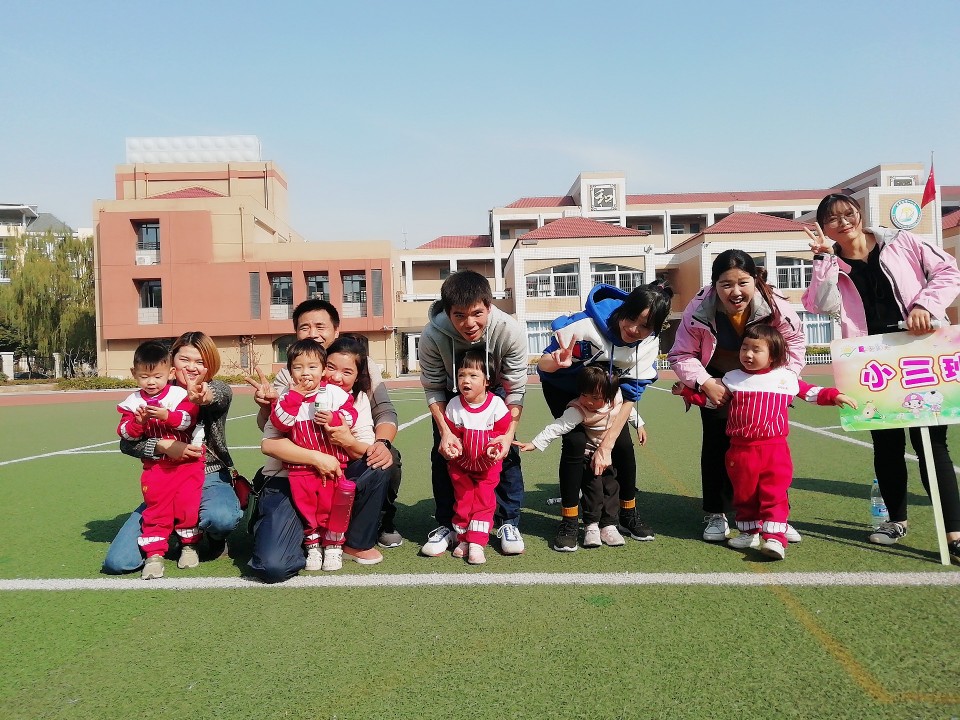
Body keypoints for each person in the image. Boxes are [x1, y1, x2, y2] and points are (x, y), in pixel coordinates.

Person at [802, 193, 960, 559]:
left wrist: (925, 305)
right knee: (887, 445)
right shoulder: (832, 262)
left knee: (931, 444)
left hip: (919, 352)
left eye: (848, 213)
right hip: (871, 363)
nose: (843, 222)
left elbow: (949, 271)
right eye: (832, 219)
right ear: (824, 227)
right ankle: (896, 520)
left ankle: (954, 532)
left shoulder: (900, 241)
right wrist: (823, 258)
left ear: (859, 214)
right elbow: (818, 304)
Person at [673, 326, 856, 560]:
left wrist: (834, 395)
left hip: (774, 450)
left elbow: (811, 393)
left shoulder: (785, 378)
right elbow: (713, 402)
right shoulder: (732, 378)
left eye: (756, 350)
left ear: (773, 355)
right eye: (744, 348)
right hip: (740, 451)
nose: (748, 354)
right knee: (744, 494)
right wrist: (687, 394)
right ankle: (749, 533)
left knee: (774, 493)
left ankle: (775, 539)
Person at [246, 299, 393, 582]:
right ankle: (293, 533)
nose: (313, 333)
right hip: (290, 475)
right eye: (305, 327)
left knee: (383, 459)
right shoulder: (289, 384)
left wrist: (352, 439)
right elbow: (270, 439)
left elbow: (378, 419)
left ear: (336, 331)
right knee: (273, 566)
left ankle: (353, 539)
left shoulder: (350, 392)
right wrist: (270, 406)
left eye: (320, 326)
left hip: (338, 472)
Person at [669, 250, 806, 544]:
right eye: (726, 284)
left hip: (763, 380)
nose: (736, 292)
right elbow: (681, 353)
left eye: (743, 283)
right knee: (717, 443)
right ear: (714, 285)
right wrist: (705, 382)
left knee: (770, 449)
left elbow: (794, 342)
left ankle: (775, 517)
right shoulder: (698, 309)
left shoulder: (775, 305)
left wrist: (784, 380)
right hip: (718, 379)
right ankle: (716, 513)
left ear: (755, 280)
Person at [537, 280, 672, 547]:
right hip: (563, 388)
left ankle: (627, 512)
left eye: (645, 326)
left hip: (608, 396)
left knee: (622, 445)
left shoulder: (647, 344)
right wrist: (557, 362)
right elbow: (543, 364)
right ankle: (569, 519)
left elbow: (631, 395)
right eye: (631, 318)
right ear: (624, 309)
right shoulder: (585, 327)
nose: (634, 329)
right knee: (575, 442)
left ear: (655, 329)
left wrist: (606, 446)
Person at [103, 332, 243, 576]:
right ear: (171, 363)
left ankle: (213, 537)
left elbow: (216, 396)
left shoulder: (216, 388)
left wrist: (201, 397)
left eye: (200, 361)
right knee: (119, 562)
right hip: (164, 474)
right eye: (184, 359)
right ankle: (170, 532)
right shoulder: (151, 394)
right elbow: (126, 444)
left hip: (209, 475)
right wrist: (163, 446)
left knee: (221, 517)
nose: (191, 367)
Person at [419, 270, 528, 557]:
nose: (469, 324)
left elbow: (516, 388)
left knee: (506, 453)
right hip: (450, 393)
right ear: (448, 312)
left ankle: (508, 522)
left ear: (489, 306)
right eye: (459, 315)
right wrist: (445, 433)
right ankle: (448, 524)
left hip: (497, 388)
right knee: (444, 455)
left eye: (477, 313)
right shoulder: (431, 335)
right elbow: (433, 387)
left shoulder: (510, 331)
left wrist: (508, 436)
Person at [516, 366, 632, 551]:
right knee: (593, 491)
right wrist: (535, 443)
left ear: (609, 396)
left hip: (607, 455)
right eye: (584, 394)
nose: (588, 401)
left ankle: (609, 525)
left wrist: (640, 426)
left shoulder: (616, 399)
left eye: (595, 397)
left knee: (611, 488)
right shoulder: (578, 409)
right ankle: (591, 526)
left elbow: (628, 412)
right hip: (588, 457)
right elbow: (558, 426)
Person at [115, 340, 204, 579]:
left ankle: (189, 545)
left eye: (157, 376)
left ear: (170, 373)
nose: (151, 382)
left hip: (187, 466)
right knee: (157, 508)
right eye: (144, 377)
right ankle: (154, 554)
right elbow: (125, 434)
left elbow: (187, 420)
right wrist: (138, 423)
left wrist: (167, 416)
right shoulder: (133, 402)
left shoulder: (179, 394)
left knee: (188, 505)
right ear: (134, 374)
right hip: (156, 467)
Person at [269, 339, 359, 572]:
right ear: (290, 372)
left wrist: (334, 418)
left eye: (312, 367)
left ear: (323, 369)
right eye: (298, 367)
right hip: (300, 471)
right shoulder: (286, 398)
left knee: (333, 507)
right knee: (307, 509)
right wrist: (295, 396)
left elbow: (351, 415)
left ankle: (333, 546)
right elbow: (281, 423)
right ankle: (313, 546)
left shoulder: (334, 393)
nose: (305, 373)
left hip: (333, 467)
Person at [441, 350, 512, 565]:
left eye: (473, 375)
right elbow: (452, 435)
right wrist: (453, 448)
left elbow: (501, 434)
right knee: (463, 501)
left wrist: (494, 448)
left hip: (487, 467)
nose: (466, 381)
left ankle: (477, 542)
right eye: (461, 375)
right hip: (460, 466)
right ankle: (463, 538)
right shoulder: (454, 406)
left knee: (484, 501)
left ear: (487, 380)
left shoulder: (497, 405)